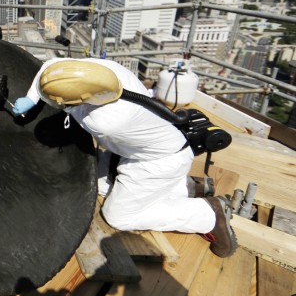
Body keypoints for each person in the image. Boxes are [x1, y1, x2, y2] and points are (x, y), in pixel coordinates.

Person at [12, 57, 237, 258]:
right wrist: (32, 97)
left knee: (117, 215)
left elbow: (71, 113)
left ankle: (208, 213)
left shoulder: (106, 121)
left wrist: (56, 106)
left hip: (158, 162)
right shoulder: (106, 70)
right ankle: (186, 188)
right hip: (135, 150)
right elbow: (50, 67)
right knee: (96, 185)